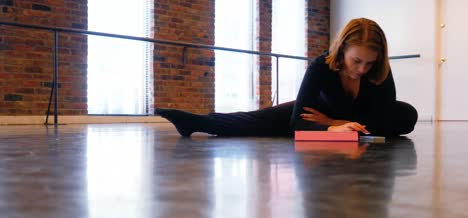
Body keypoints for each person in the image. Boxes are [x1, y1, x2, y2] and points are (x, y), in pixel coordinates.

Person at [156, 18, 418, 138]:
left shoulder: (380, 70)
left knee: (407, 115)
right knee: (257, 121)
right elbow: (297, 123)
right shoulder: (321, 66)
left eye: (369, 63)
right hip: (316, 112)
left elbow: (384, 119)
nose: (362, 69)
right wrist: (328, 126)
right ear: (341, 51)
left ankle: (328, 126)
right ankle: (194, 122)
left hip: (334, 117)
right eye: (356, 61)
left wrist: (334, 122)